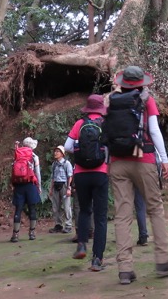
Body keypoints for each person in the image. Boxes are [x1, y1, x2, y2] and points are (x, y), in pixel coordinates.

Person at [107, 66, 168, 285]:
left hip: (118, 163)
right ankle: (163, 260)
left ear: (124, 82)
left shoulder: (112, 102)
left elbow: (107, 132)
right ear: (141, 83)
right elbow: (154, 131)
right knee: (154, 208)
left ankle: (125, 270)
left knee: (122, 215)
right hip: (143, 160)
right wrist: (163, 159)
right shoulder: (147, 100)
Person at [63, 94, 110, 272]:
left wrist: (80, 147)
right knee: (100, 217)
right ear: (100, 109)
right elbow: (110, 148)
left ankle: (82, 245)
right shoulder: (104, 124)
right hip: (100, 173)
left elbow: (67, 147)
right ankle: (97, 259)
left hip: (81, 174)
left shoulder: (79, 124)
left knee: (84, 210)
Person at [10, 137, 42, 242]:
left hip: (19, 185)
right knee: (32, 209)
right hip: (30, 184)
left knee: (18, 209)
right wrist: (39, 186)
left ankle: (15, 235)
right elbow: (37, 173)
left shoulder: (17, 154)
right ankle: (32, 233)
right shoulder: (34, 157)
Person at [48, 145, 73, 234]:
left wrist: (69, 188)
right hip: (56, 186)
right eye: (55, 151)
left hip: (64, 186)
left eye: (58, 151)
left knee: (66, 207)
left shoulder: (67, 163)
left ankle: (68, 225)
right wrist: (51, 189)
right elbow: (53, 177)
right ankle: (58, 225)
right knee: (55, 207)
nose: (55, 153)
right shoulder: (54, 164)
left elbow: (70, 176)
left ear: (62, 154)